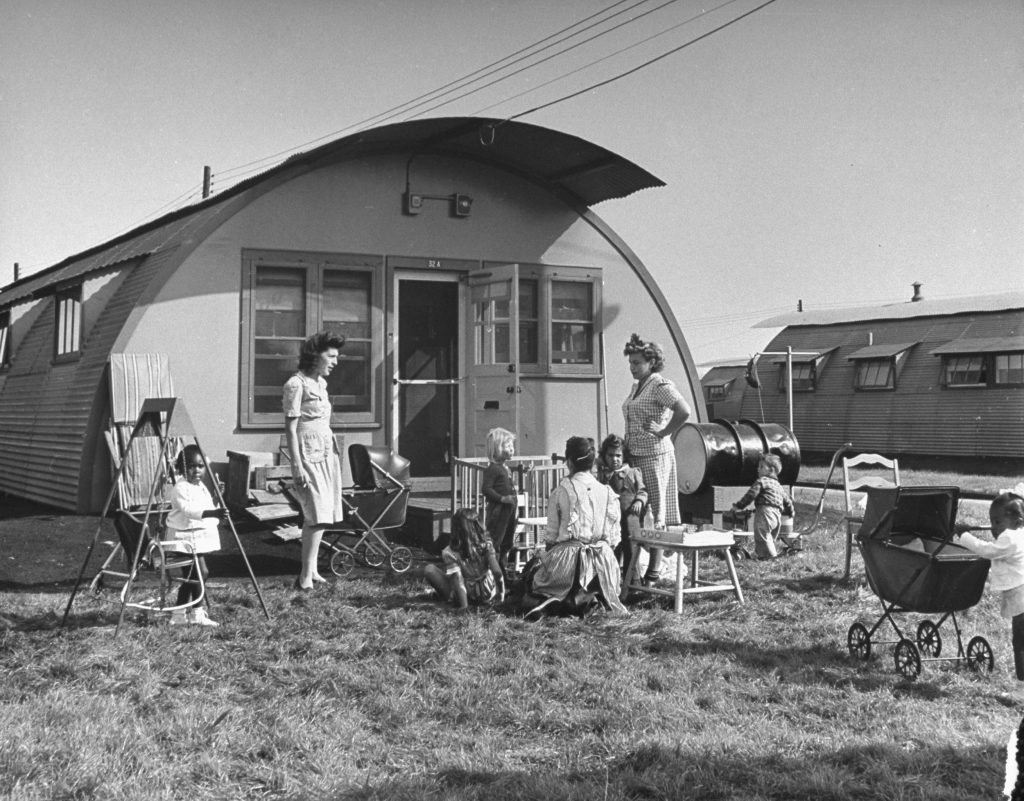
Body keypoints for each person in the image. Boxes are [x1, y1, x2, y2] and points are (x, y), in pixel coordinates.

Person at [523, 436, 628, 617]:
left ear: (569, 462)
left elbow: (551, 537)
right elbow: (614, 539)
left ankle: (569, 599)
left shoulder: (562, 490)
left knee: (532, 580)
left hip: (569, 560)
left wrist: (549, 561)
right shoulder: (607, 492)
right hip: (603, 560)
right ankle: (591, 596)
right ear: (592, 462)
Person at [621, 333, 691, 584]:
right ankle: (636, 569)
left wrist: (663, 432)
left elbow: (684, 410)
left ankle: (654, 569)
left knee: (657, 511)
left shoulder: (659, 384)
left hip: (654, 455)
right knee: (639, 511)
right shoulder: (636, 386)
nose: (633, 367)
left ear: (651, 363)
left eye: (637, 363)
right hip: (635, 456)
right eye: (631, 363)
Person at [283, 332, 346, 591]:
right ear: (315, 356)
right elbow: (290, 428)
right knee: (316, 513)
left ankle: (313, 570)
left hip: (325, 452)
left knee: (324, 513)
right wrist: (296, 465)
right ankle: (304, 577)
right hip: (307, 455)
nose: (335, 362)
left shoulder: (321, 384)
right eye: (330, 356)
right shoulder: (296, 384)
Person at [956, 490, 1024, 681]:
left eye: (998, 522)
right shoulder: (1019, 534)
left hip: (1021, 597)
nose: (993, 528)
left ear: (1017, 521)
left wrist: (964, 535)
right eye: (992, 521)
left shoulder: (1010, 539)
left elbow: (986, 550)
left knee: (1020, 643)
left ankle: (1022, 689)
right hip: (1019, 594)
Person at [163, 444, 222, 626]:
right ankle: (193, 612)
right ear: (182, 468)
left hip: (196, 537)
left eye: (200, 466)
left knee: (193, 576)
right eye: (191, 466)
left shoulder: (200, 486)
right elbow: (189, 510)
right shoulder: (180, 488)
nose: (196, 470)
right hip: (183, 537)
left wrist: (217, 505)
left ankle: (181, 614)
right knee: (199, 573)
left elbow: (207, 507)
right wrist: (211, 514)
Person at [420, 508, 505, 611]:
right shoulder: (486, 545)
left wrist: (464, 606)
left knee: (430, 569)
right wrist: (501, 593)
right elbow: (497, 571)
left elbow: (458, 579)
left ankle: (449, 598)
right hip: (487, 593)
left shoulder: (450, 552)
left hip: (466, 595)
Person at [596, 433, 648, 580]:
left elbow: (643, 490)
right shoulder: (603, 475)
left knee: (631, 548)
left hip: (630, 517)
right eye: (610, 455)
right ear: (604, 456)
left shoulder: (632, 472)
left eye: (618, 455)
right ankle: (612, 582)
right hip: (611, 521)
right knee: (613, 549)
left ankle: (634, 582)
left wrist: (639, 501)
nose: (615, 459)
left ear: (624, 456)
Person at [731, 453, 795, 560]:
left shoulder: (761, 481)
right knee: (767, 538)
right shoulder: (778, 486)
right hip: (777, 516)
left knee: (762, 535)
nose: (758, 469)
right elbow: (787, 501)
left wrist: (739, 506)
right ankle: (761, 555)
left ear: (771, 470)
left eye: (761, 467)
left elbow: (751, 494)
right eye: (758, 466)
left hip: (765, 512)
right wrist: (790, 512)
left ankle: (771, 558)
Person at [481, 427, 519, 574]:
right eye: (508, 446)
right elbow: (486, 489)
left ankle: (502, 570)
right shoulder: (493, 469)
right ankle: (492, 571)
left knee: (507, 541)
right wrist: (502, 498)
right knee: (496, 539)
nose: (512, 449)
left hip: (509, 510)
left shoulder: (505, 468)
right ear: (497, 448)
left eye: (512, 446)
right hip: (499, 510)